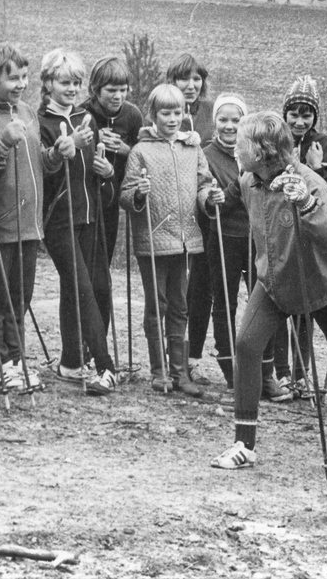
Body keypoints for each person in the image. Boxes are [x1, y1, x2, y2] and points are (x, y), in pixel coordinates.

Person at [210, 111, 327, 470]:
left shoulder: (308, 183)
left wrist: (307, 205)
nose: (235, 149)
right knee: (245, 343)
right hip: (275, 282)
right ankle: (244, 444)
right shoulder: (248, 180)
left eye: (242, 144)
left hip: (325, 285)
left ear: (261, 151)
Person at [120, 84, 217, 396]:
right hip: (153, 238)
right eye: (166, 112)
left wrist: (210, 199)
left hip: (186, 238)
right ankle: (158, 371)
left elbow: (203, 185)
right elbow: (125, 193)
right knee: (156, 305)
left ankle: (179, 373)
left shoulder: (193, 149)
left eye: (178, 112)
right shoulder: (141, 151)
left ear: (184, 113)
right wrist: (138, 193)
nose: (173, 118)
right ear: (153, 115)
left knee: (180, 305)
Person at [202, 93, 292, 402]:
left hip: (257, 238)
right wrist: (210, 198)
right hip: (224, 237)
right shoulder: (207, 154)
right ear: (214, 122)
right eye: (222, 120)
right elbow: (212, 198)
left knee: (266, 303)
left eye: (235, 120)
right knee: (224, 304)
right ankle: (233, 377)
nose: (229, 126)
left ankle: (265, 376)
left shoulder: (256, 153)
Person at [39, 49, 118, 396]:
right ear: (47, 84)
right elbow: (45, 170)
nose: (71, 88)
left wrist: (106, 170)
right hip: (58, 221)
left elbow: (94, 172)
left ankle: (71, 361)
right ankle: (106, 367)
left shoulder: (87, 117)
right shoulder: (40, 122)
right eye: (63, 81)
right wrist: (64, 148)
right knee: (83, 288)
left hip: (89, 216)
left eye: (75, 82)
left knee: (94, 287)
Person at [0, 42, 49, 390]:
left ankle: (17, 358)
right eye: (12, 78)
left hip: (29, 223)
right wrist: (2, 144)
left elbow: (38, 163)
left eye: (24, 76)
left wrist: (60, 155)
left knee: (20, 295)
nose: (20, 84)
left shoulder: (28, 112)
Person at [276, 75, 327, 395]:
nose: (300, 121)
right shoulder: (277, 140)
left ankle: (301, 374)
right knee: (279, 303)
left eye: (307, 115)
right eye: (294, 114)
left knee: (304, 308)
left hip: (311, 232)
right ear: (284, 113)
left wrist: (315, 167)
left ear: (316, 117)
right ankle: (280, 372)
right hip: (281, 230)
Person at [167, 54, 216, 385]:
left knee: (201, 288)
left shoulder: (211, 114)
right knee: (175, 288)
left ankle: (193, 357)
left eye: (196, 78)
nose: (191, 85)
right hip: (174, 211)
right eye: (184, 78)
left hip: (207, 212)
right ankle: (173, 359)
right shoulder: (163, 109)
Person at [83, 54, 142, 265]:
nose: (118, 96)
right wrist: (92, 136)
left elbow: (142, 154)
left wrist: (126, 150)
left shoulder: (132, 115)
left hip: (111, 197)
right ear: (95, 89)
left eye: (123, 89)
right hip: (85, 196)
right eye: (111, 90)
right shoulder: (83, 113)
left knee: (103, 259)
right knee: (83, 260)